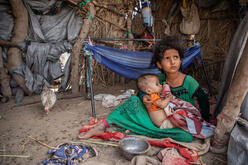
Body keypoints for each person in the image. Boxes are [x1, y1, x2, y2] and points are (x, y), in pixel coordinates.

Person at [78, 36, 210, 142]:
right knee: (134, 101)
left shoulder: (189, 81)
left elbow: (203, 100)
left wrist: (205, 121)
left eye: (176, 57)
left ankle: (143, 130)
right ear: (159, 63)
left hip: (178, 124)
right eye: (167, 58)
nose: (172, 62)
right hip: (157, 120)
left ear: (181, 60)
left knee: (186, 137)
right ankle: (101, 126)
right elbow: (143, 90)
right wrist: (145, 98)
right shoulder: (157, 79)